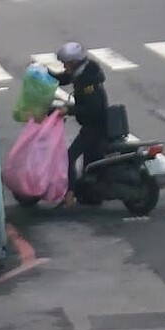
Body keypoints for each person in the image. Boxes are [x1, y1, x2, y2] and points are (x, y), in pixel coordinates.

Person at [49, 42, 109, 207]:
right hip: (95, 125)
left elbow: (92, 108)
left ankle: (69, 194)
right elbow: (64, 78)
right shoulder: (83, 72)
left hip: (95, 127)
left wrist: (68, 110)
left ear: (74, 63)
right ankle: (93, 195)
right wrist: (45, 74)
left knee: (69, 156)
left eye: (66, 63)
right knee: (92, 162)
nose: (64, 66)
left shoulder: (88, 83)